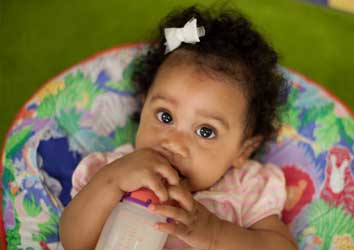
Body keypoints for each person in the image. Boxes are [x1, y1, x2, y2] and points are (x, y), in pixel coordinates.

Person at [59, 5, 297, 250]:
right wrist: (111, 182)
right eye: (165, 116)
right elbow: (73, 241)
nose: (174, 143)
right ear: (144, 108)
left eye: (205, 131)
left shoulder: (245, 189)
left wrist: (215, 234)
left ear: (243, 150)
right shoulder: (114, 171)